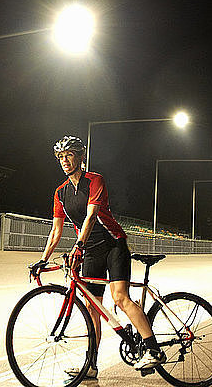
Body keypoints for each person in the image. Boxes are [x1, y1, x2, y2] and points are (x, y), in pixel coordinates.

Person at [35, 136, 165, 380]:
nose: (65, 160)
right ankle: (91, 366)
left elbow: (91, 215)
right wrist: (43, 259)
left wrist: (77, 246)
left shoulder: (95, 180)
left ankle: (154, 350)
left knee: (119, 297)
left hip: (113, 244)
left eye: (70, 155)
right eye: (61, 157)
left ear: (81, 157)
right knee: (92, 307)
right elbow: (55, 231)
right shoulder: (60, 193)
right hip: (90, 251)